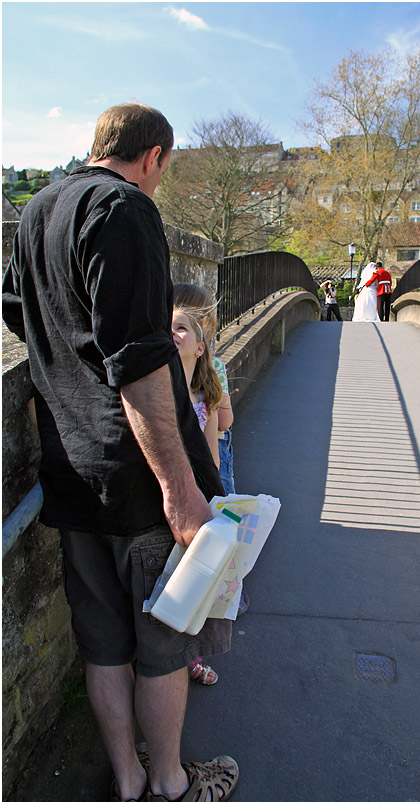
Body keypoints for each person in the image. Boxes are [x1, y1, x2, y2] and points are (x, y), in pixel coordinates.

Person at [2, 103, 239, 803]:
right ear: (155, 157)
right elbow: (139, 362)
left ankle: (128, 781)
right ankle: (170, 784)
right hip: (137, 481)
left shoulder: (38, 210)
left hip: (70, 471)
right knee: (163, 647)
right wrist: (179, 487)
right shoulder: (126, 209)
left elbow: (18, 309)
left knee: (104, 644)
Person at [173, 284, 249, 618]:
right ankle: (232, 591)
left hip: (205, 458)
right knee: (226, 515)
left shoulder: (191, 378)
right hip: (215, 453)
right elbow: (225, 424)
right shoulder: (215, 368)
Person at [171, 303, 223, 687]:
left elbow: (213, 457)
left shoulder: (203, 396)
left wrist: (216, 504)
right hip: (167, 500)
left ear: (200, 347)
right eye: (168, 327)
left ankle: (192, 653)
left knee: (195, 582)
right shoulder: (157, 393)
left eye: (182, 328)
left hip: (197, 499)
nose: (173, 333)